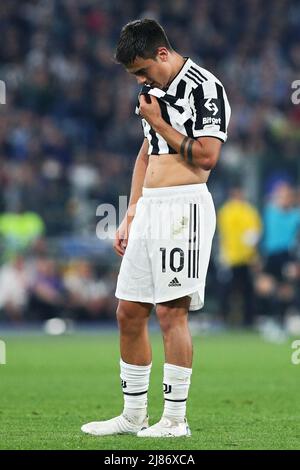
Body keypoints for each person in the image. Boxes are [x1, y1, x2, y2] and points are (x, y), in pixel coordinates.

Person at [81, 19, 231, 438]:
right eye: (136, 77)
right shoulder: (152, 93)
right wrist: (131, 212)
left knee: (171, 312)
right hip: (150, 209)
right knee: (128, 311)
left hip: (184, 210)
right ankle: (132, 416)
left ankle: (175, 421)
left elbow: (206, 157)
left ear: (162, 54)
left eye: (143, 71)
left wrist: (160, 120)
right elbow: (147, 153)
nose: (141, 81)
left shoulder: (205, 88)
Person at [217, 187, 262, 327]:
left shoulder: (228, 211)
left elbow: (254, 234)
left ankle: (240, 320)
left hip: (239, 259)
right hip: (234, 258)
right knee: (235, 291)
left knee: (241, 291)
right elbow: (253, 235)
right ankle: (234, 320)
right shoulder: (243, 211)